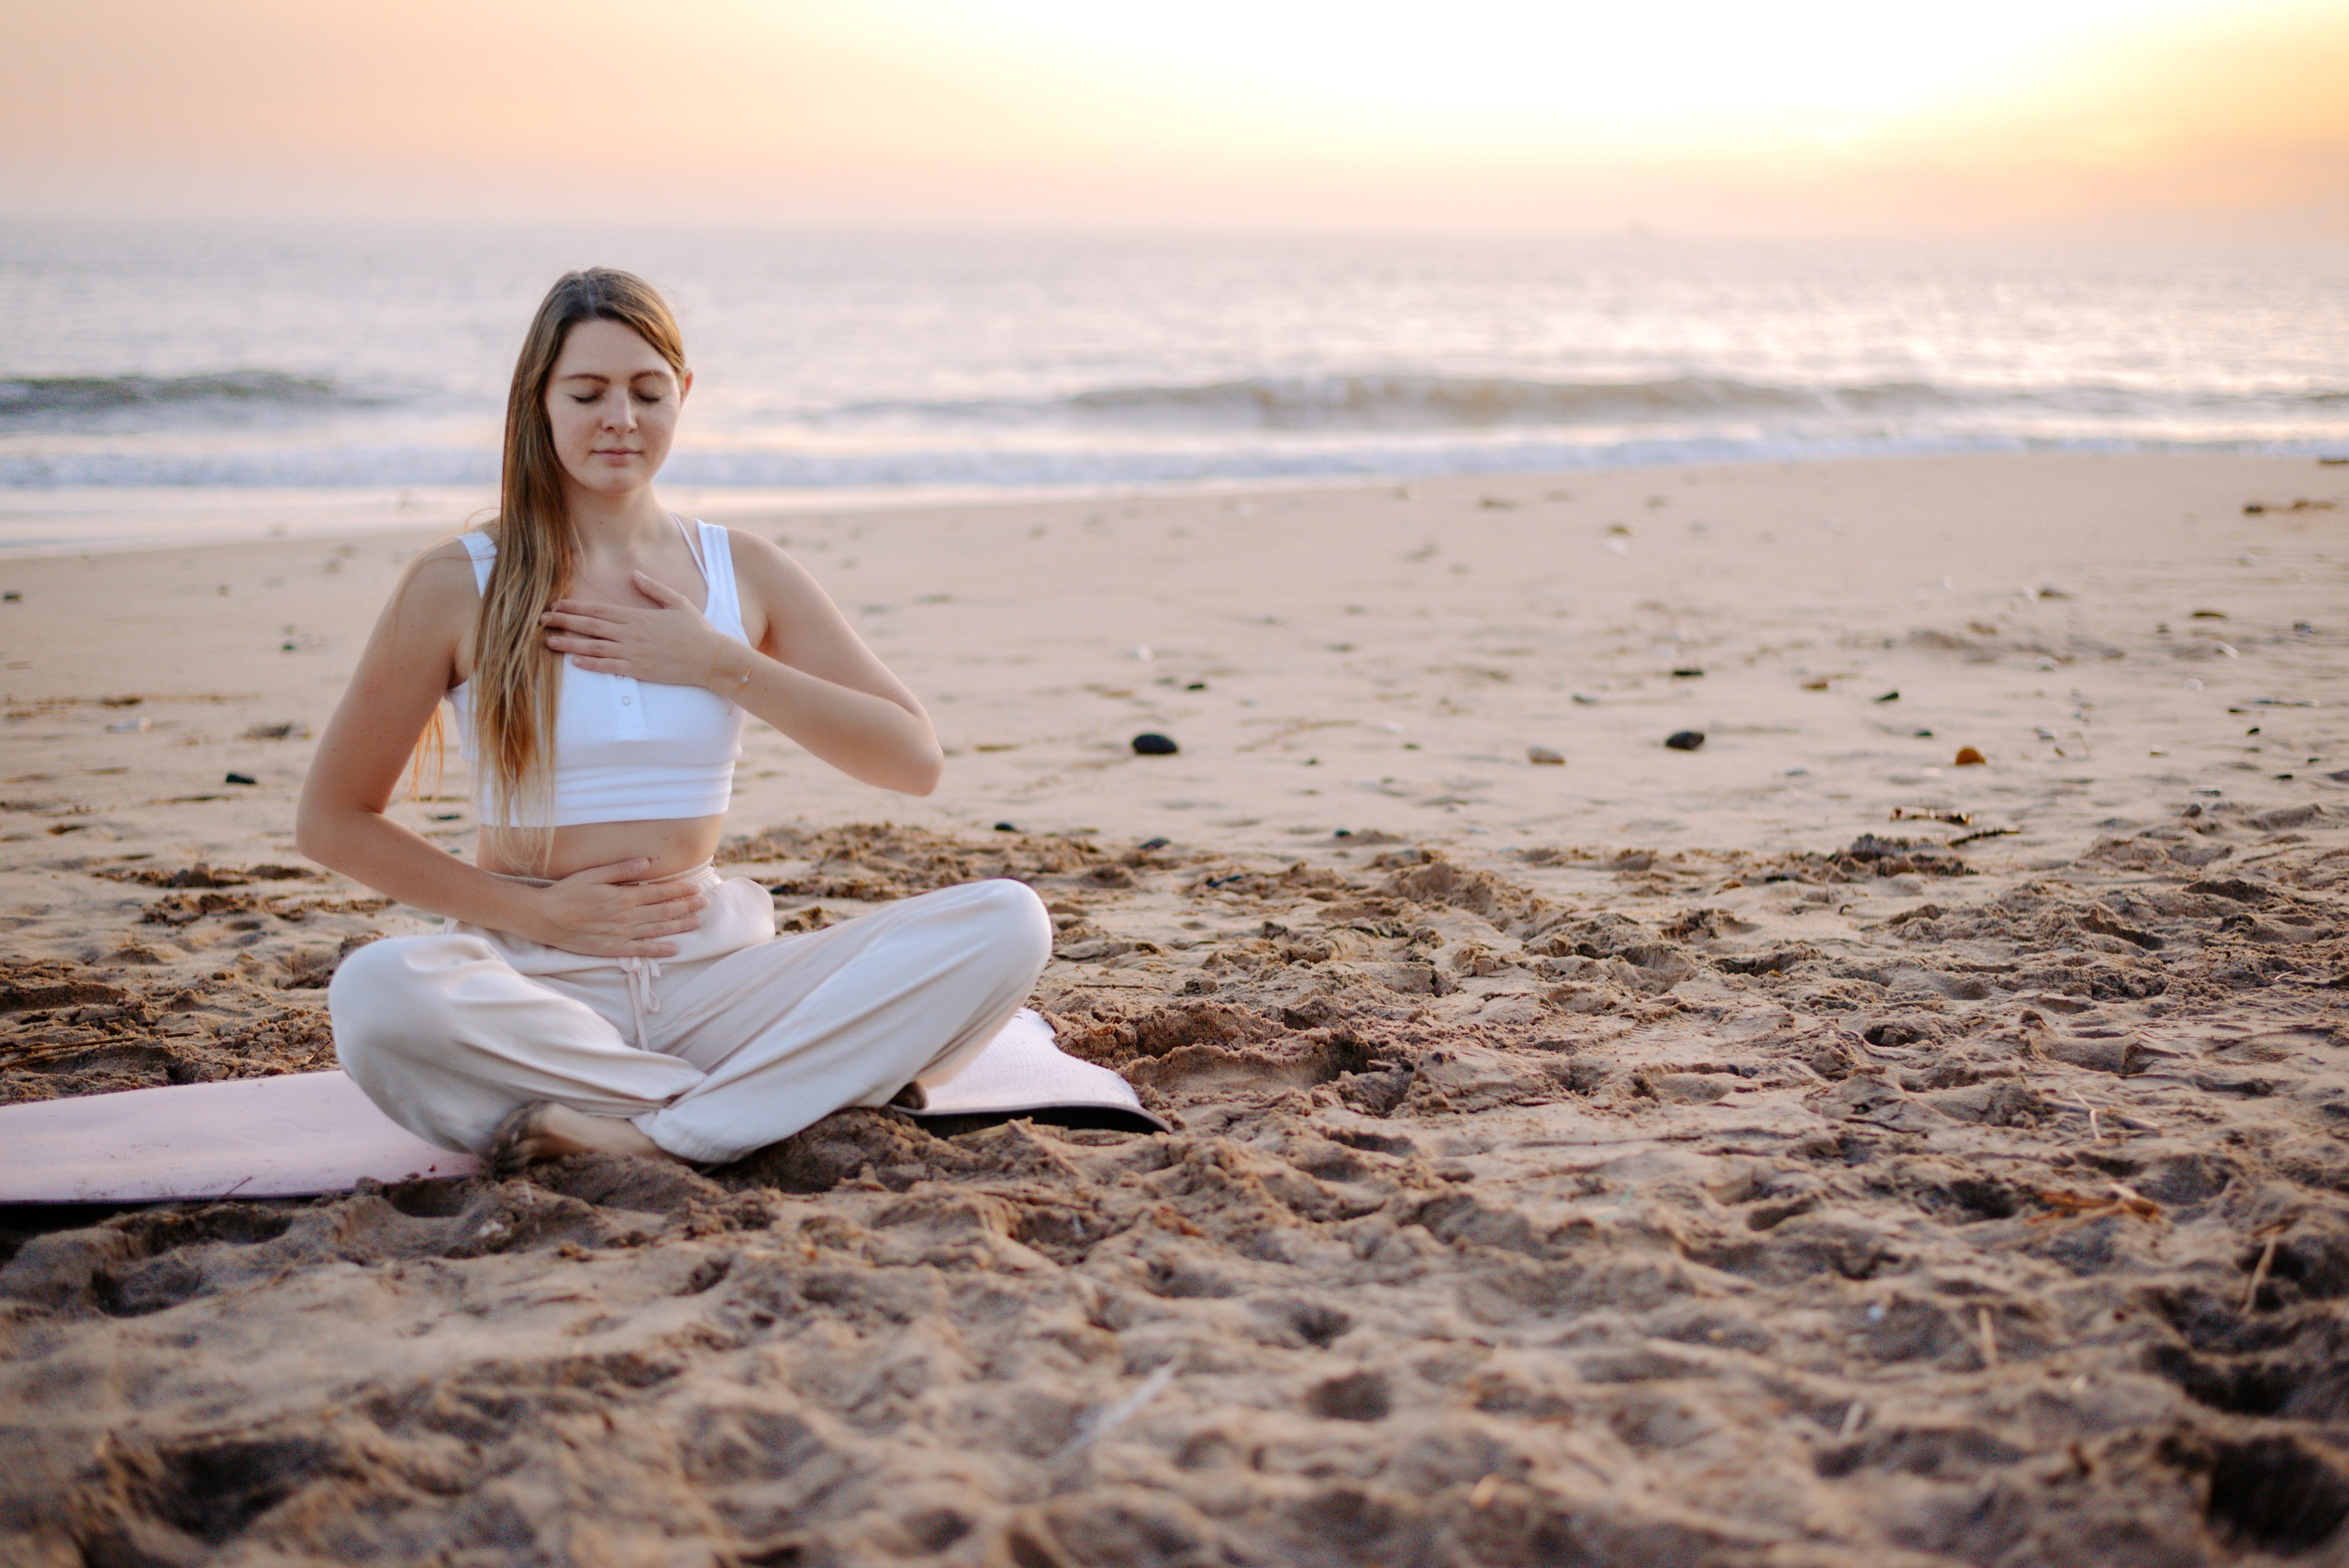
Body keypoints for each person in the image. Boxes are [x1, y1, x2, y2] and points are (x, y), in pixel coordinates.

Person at [296, 268, 1051, 1173]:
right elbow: (333, 817)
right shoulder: (459, 581)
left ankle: (656, 1133)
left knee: (1008, 921)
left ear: (682, 396)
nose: (620, 418)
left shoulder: (742, 571)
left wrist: (715, 662)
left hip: (718, 979)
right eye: (587, 392)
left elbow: (912, 758)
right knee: (378, 993)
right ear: (537, 401)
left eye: (647, 392)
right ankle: (753, 1107)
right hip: (534, 985)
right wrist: (538, 914)